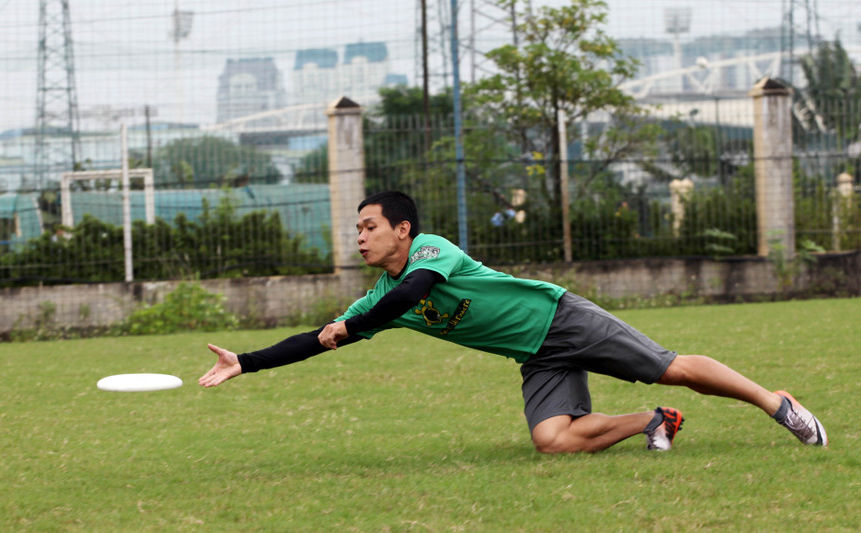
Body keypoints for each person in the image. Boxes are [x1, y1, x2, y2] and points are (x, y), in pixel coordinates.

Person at [200, 191, 827, 453]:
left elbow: (411, 294)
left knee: (674, 369)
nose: (359, 237)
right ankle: (654, 424)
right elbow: (316, 340)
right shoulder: (376, 299)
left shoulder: (429, 253)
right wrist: (246, 362)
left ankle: (778, 404)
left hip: (560, 319)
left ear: (402, 228)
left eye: (368, 226)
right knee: (552, 440)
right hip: (537, 355)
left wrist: (350, 326)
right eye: (357, 229)